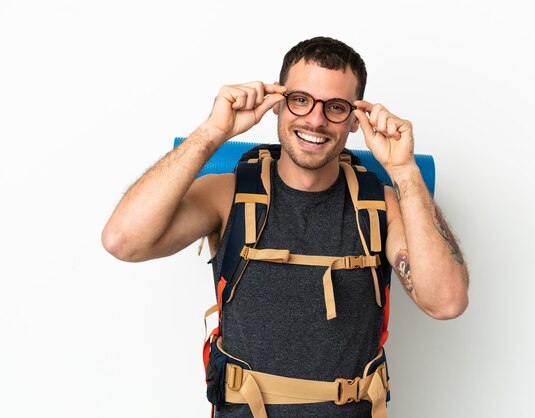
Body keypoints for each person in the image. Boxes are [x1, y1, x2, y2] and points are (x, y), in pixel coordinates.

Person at [102, 36, 469, 418]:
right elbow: (122, 241)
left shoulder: (381, 203)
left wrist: (404, 171)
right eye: (301, 100)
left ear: (356, 118)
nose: (315, 119)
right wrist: (212, 132)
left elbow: (446, 302)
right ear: (278, 103)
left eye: (336, 107)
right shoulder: (228, 192)